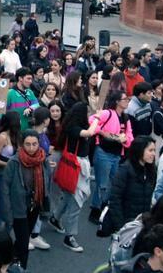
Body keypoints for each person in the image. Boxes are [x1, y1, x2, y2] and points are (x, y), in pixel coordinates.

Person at [50, 102, 99, 253]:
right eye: (87, 112)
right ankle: (69, 236)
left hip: (76, 166)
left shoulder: (73, 125)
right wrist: (98, 116)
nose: (89, 115)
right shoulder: (74, 129)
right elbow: (90, 133)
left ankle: (55, 218)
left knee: (68, 197)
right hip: (76, 167)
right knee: (76, 202)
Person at [2, 129, 51, 269]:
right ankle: (21, 267)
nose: (31, 148)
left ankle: (10, 263)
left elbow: (48, 183)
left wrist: (46, 205)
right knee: (24, 242)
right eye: (28, 144)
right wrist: (8, 212)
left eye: (34, 144)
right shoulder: (14, 162)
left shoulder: (43, 159)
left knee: (22, 240)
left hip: (34, 206)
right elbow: (5, 188)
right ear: (22, 145)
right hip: (18, 208)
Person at [89, 91, 134, 225]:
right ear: (116, 101)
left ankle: (104, 207)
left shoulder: (126, 117)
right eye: (124, 99)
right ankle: (95, 210)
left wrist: (125, 140)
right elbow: (92, 120)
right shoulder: (107, 113)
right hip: (103, 151)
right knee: (102, 184)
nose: (127, 101)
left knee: (115, 183)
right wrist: (102, 132)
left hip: (116, 154)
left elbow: (130, 136)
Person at [102, 136, 157, 236]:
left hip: (142, 224)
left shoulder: (151, 170)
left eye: (154, 150)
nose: (153, 154)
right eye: (150, 150)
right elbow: (115, 199)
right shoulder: (125, 170)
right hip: (125, 224)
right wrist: (121, 227)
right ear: (139, 150)